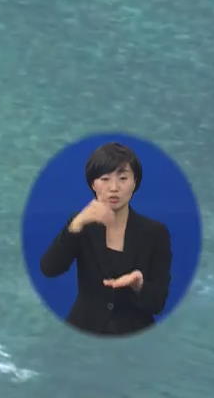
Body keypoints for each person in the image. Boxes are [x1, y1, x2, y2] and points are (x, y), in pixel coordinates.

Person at [39, 142, 173, 336]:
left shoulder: (155, 233)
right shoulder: (81, 225)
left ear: (135, 182)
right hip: (83, 330)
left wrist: (138, 285)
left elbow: (158, 303)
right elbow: (49, 269)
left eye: (123, 178)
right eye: (105, 179)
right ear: (93, 184)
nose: (114, 188)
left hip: (133, 336)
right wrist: (76, 225)